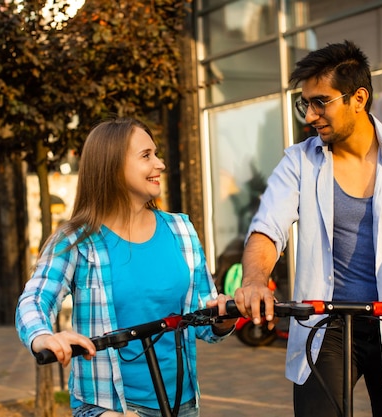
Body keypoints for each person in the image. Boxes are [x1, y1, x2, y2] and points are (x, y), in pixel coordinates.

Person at [233, 40, 382, 417]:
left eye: (320, 102)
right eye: (304, 104)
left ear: (358, 98)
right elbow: (267, 227)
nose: (309, 116)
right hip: (325, 325)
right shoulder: (299, 161)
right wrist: (255, 280)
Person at [16, 116, 237, 417]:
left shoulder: (181, 230)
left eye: (156, 154)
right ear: (112, 167)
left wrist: (222, 319)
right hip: (113, 408)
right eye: (146, 156)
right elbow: (35, 299)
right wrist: (42, 336)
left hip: (182, 404)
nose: (159, 164)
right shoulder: (78, 240)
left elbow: (202, 319)